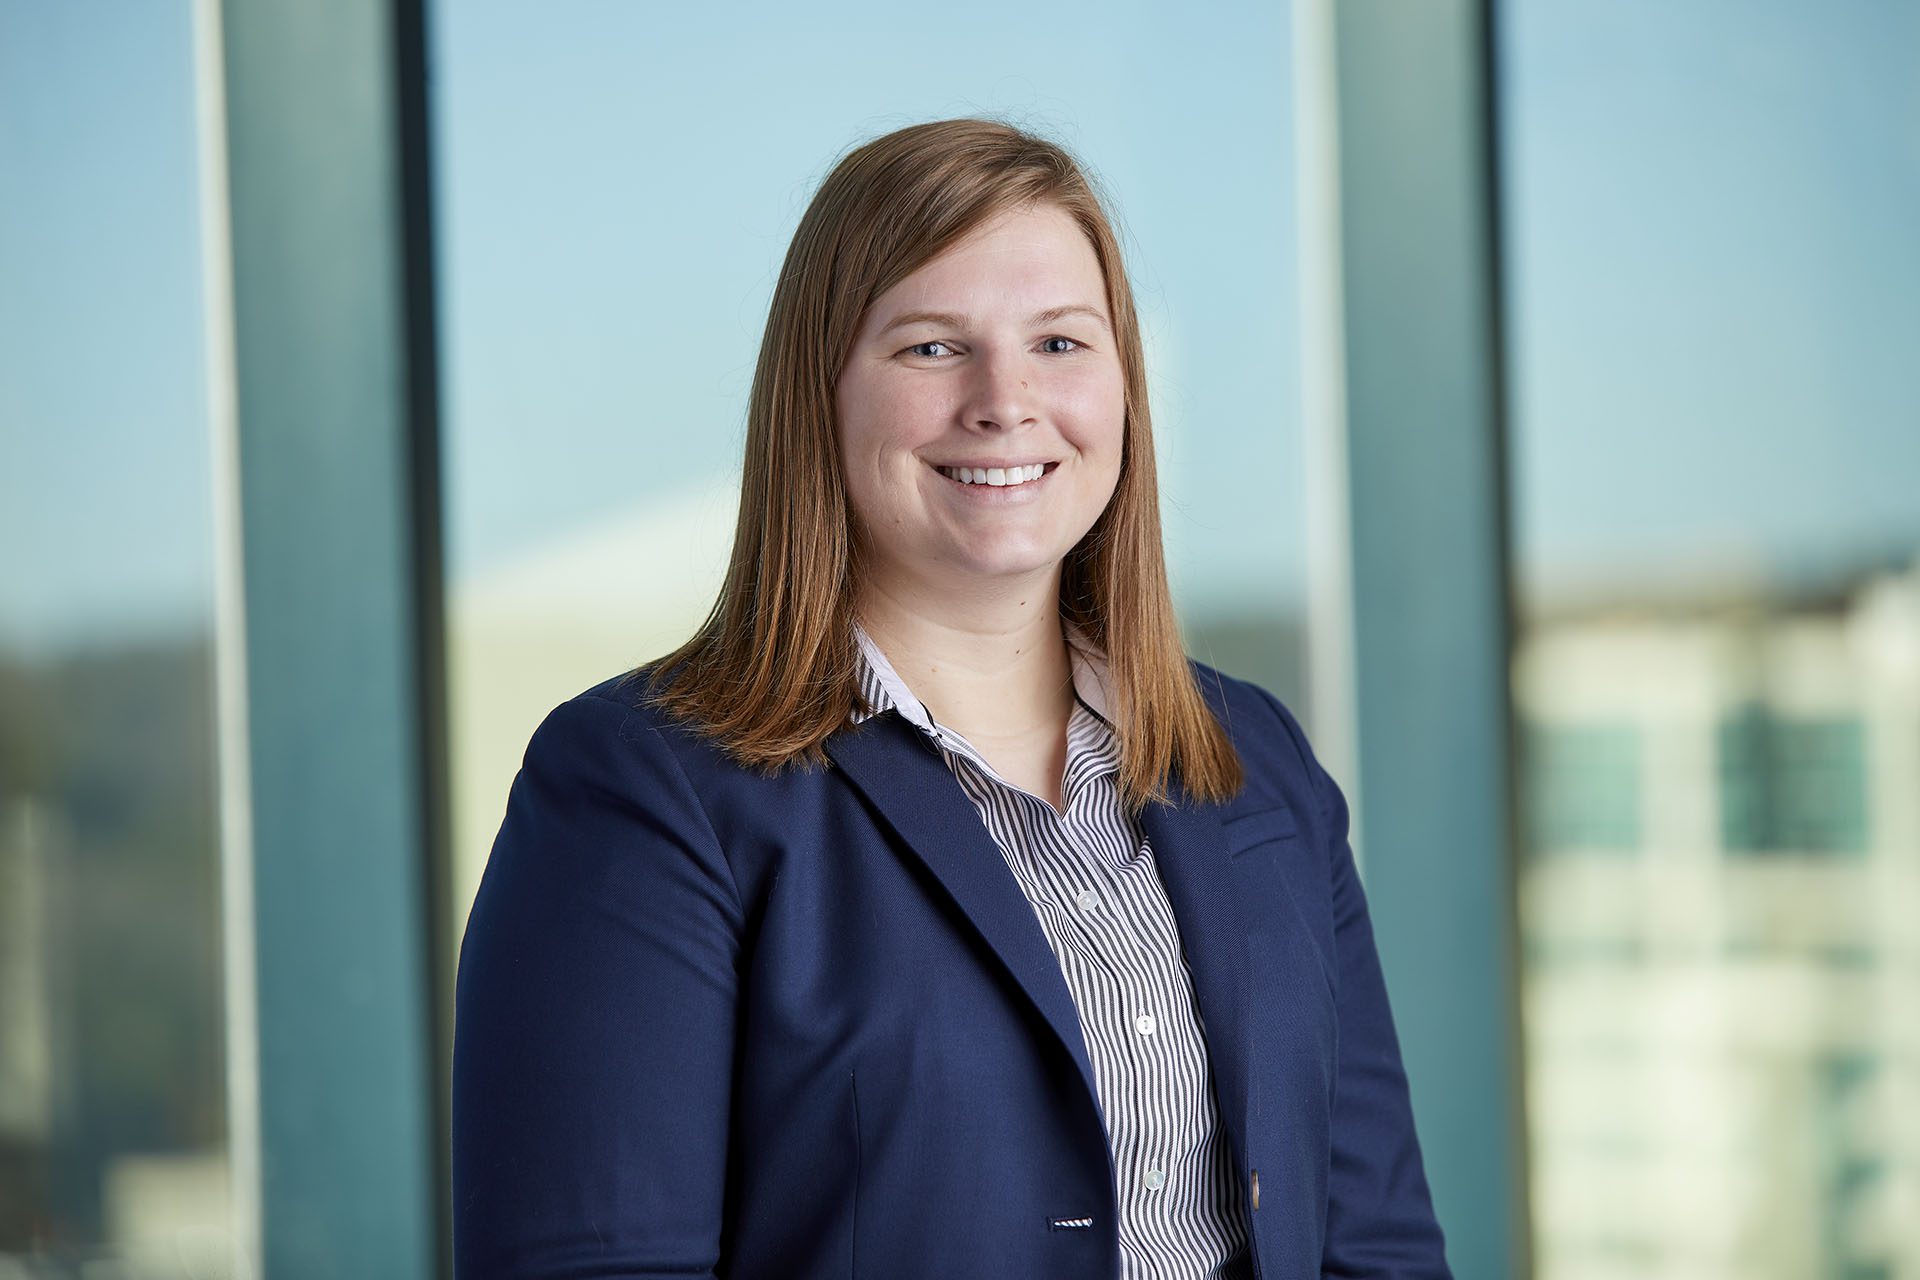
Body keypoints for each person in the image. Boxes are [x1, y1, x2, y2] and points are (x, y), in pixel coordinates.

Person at [451, 117, 1450, 1280]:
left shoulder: (1256, 759)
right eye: (932, 348)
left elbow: (1376, 1246)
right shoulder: (642, 789)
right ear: (817, 394)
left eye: (1062, 343)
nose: (1006, 400)